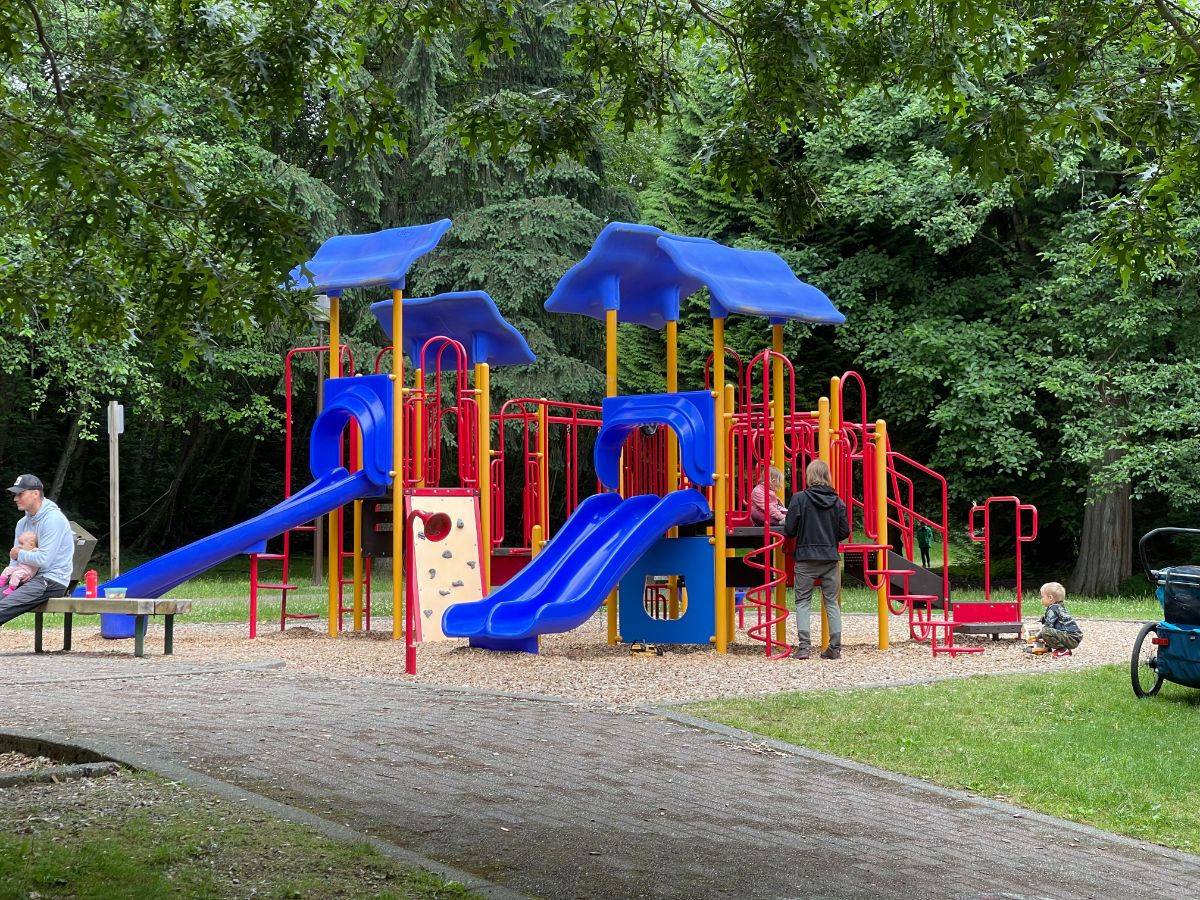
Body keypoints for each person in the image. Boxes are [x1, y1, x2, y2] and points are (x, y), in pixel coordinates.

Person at [784, 459, 851, 660]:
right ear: (827, 476)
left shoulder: (799, 499)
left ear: (810, 476)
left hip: (805, 558)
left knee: (803, 601)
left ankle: (804, 648)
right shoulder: (837, 501)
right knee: (831, 602)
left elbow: (790, 530)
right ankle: (835, 647)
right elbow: (844, 531)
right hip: (830, 558)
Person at [0, 475, 75, 626]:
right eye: (15, 494)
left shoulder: (53, 519)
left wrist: (19, 553)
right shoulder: (22, 523)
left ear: (35, 493)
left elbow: (44, 560)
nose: (15, 498)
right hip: (25, 577)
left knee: (3, 608)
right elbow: (14, 561)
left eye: (20, 494)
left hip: (51, 580)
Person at [1025, 581, 1083, 658]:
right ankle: (1050, 645)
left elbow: (1048, 627)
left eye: (1042, 597)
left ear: (1050, 598)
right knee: (1046, 630)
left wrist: (1036, 636)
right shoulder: (1059, 607)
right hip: (1074, 637)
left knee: (1046, 630)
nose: (1041, 599)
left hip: (1071, 638)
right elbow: (1047, 621)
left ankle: (1063, 650)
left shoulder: (1052, 609)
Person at [0, 530, 40, 595]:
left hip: (27, 572)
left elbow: (39, 558)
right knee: (8, 569)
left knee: (16, 574)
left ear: (31, 544)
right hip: (19, 568)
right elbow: (13, 558)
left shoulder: (35, 551)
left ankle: (11, 588)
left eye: (21, 543)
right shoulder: (22, 551)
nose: (19, 546)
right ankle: (1, 581)